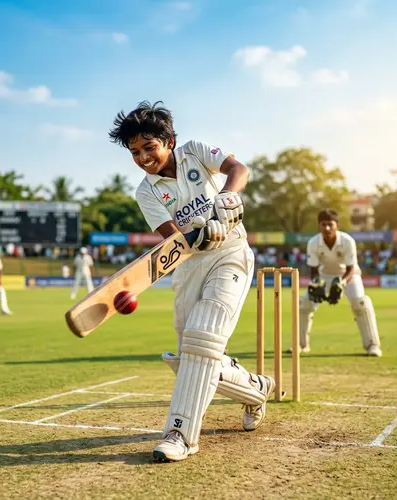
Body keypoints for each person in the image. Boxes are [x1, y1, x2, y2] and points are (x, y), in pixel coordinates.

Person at [108, 101, 275, 463]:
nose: (143, 158)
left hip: (231, 253)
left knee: (203, 337)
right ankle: (256, 390)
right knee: (191, 358)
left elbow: (238, 168)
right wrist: (199, 234)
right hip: (188, 267)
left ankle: (181, 434)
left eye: (149, 147)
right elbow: (173, 241)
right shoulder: (146, 192)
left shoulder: (195, 152)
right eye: (135, 152)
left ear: (169, 141)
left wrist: (228, 197)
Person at [295, 209, 382, 356]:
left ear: (337, 226)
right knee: (304, 304)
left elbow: (351, 269)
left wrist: (340, 284)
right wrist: (316, 283)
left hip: (348, 276)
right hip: (324, 275)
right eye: (323, 225)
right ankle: (301, 345)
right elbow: (314, 270)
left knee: (361, 304)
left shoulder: (347, 241)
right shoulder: (313, 242)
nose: (327, 228)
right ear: (319, 226)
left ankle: (372, 345)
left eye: (330, 224)